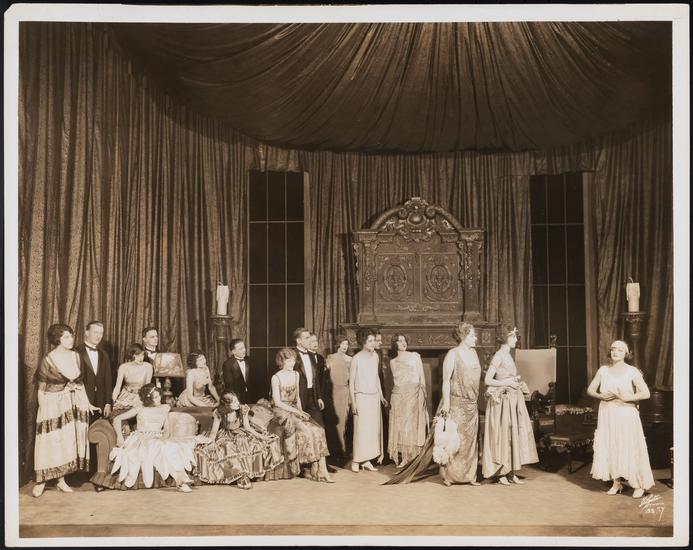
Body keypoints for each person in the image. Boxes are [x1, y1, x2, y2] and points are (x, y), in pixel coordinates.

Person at [383, 322, 481, 486]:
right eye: (472, 335)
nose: (475, 338)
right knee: (452, 440)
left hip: (471, 404)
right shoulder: (453, 354)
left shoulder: (474, 353)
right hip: (456, 403)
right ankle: (448, 476)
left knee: (470, 442)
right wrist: (447, 405)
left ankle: (469, 476)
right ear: (463, 336)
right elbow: (446, 381)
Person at [32, 324, 101, 497]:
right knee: (50, 441)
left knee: (65, 442)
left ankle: (61, 481)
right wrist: (43, 412)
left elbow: (79, 383)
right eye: (66, 337)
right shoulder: (48, 360)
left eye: (71, 336)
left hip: (71, 403)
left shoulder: (76, 356)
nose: (71, 339)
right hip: (51, 404)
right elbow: (41, 389)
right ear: (57, 340)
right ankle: (41, 481)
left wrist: (88, 403)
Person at [586, 340, 654, 498]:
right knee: (612, 446)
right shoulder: (603, 370)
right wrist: (600, 395)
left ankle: (638, 484)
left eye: (620, 350)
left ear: (626, 353)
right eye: (613, 349)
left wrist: (627, 397)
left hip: (626, 413)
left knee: (630, 446)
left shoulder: (632, 371)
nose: (615, 352)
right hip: (607, 413)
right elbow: (591, 389)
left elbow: (646, 393)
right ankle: (617, 483)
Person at [106, 384, 198, 492]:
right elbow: (117, 419)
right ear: (148, 399)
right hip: (141, 439)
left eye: (159, 396)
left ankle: (181, 479)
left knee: (170, 447)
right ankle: (181, 480)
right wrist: (120, 437)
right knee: (158, 447)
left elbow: (167, 430)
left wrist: (163, 438)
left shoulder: (164, 408)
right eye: (155, 397)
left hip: (158, 437)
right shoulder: (140, 408)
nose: (159, 399)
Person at [482, 327, 538, 485]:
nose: (516, 340)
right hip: (503, 400)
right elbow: (487, 380)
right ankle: (501, 472)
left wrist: (515, 383)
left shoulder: (508, 355)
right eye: (513, 337)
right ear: (505, 338)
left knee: (513, 432)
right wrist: (508, 382)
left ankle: (511, 471)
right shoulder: (499, 356)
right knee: (504, 433)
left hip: (512, 399)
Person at [194, 392, 283, 489]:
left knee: (244, 442)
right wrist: (211, 442)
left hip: (239, 432)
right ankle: (241, 476)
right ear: (227, 405)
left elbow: (248, 427)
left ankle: (246, 474)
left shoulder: (242, 409)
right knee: (227, 446)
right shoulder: (219, 413)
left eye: (237, 400)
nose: (238, 403)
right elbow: (214, 432)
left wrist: (261, 437)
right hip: (224, 434)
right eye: (234, 402)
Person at [270, 348, 334, 483]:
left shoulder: (296, 374)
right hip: (282, 412)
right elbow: (277, 402)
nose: (292, 363)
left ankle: (321, 469)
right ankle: (316, 467)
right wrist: (296, 412)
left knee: (319, 431)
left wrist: (301, 411)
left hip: (295, 409)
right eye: (288, 361)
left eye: (293, 360)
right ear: (282, 361)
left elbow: (298, 397)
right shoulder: (276, 377)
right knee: (307, 432)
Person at [349, 328, 387, 473]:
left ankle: (366, 460)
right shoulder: (356, 358)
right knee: (361, 430)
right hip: (361, 397)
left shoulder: (375, 356)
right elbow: (351, 383)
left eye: (373, 340)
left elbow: (376, 377)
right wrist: (353, 403)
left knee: (372, 431)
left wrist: (381, 395)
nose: (373, 343)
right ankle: (356, 460)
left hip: (374, 397)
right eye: (370, 341)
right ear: (363, 342)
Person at [388, 334, 429, 467]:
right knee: (401, 426)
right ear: (395, 344)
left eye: (404, 340)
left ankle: (413, 457)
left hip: (414, 394)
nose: (403, 342)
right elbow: (396, 380)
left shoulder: (415, 356)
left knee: (411, 424)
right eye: (400, 341)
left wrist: (423, 394)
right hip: (399, 396)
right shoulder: (393, 362)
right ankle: (405, 457)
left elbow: (421, 377)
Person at [74, 320, 113, 420]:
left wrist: (108, 403)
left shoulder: (104, 354)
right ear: (87, 333)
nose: (98, 336)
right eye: (95, 332)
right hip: (81, 401)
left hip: (101, 402)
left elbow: (108, 380)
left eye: (101, 333)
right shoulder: (75, 352)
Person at [110, 343, 153, 420]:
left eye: (142, 355)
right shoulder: (123, 367)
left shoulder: (148, 367)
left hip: (140, 396)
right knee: (117, 416)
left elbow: (147, 388)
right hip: (125, 397)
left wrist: (143, 400)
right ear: (131, 355)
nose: (141, 358)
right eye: (137, 355)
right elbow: (117, 387)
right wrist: (113, 401)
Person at [325, 335, 352, 457]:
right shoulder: (330, 358)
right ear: (338, 344)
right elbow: (326, 376)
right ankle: (336, 449)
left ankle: (343, 448)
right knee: (336, 421)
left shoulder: (350, 359)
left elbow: (352, 378)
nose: (345, 346)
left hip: (345, 391)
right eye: (342, 343)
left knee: (344, 421)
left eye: (346, 344)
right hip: (334, 392)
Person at [292, 327, 325, 426]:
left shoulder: (312, 355)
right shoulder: (292, 355)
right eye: (306, 338)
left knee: (319, 426)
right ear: (298, 341)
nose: (309, 340)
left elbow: (316, 378)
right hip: (299, 397)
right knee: (301, 428)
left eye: (309, 338)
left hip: (312, 396)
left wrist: (319, 397)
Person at [221, 338, 252, 404]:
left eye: (244, 347)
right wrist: (235, 401)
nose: (244, 350)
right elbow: (229, 386)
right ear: (233, 352)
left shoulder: (249, 360)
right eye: (240, 349)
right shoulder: (228, 364)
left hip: (251, 397)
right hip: (237, 398)